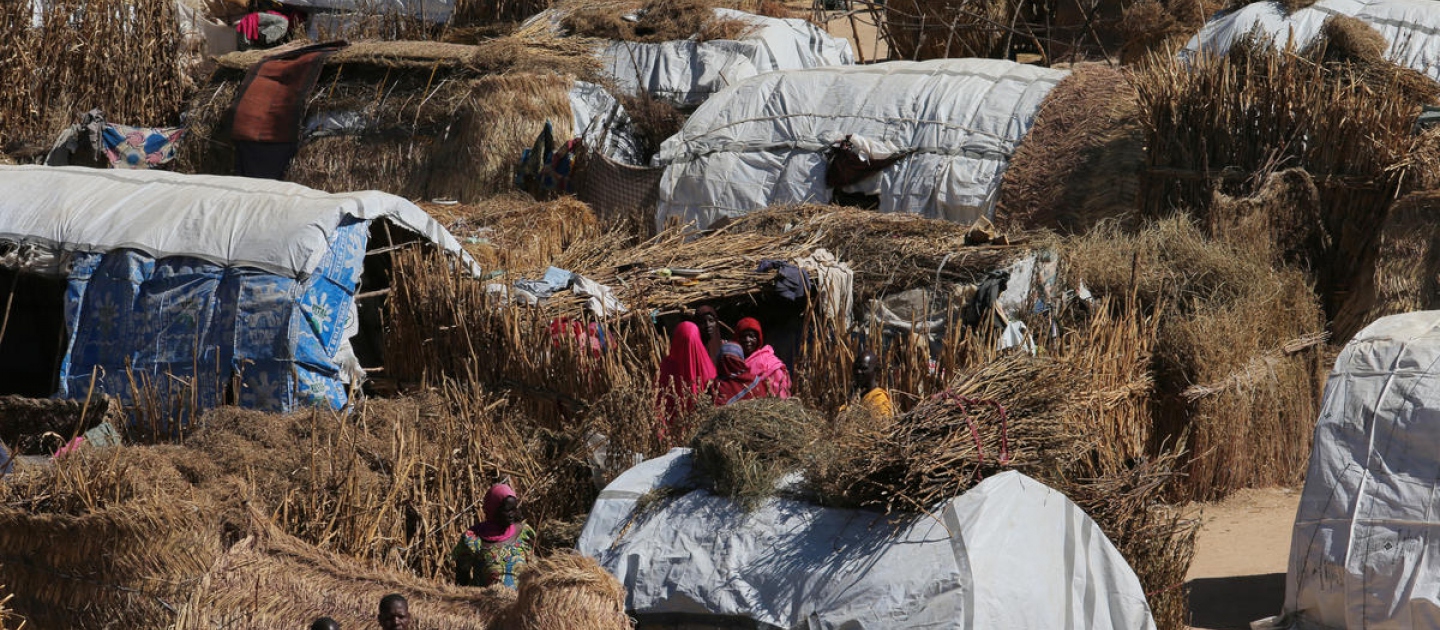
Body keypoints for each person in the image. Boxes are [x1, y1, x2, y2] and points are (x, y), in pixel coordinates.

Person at [452, 483, 538, 589]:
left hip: (520, 604)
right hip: (485, 603)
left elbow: (535, 572)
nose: (512, 514)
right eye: (507, 510)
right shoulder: (473, 539)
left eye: (514, 509)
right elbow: (461, 582)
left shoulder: (524, 533)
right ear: (493, 509)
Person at [657, 321, 718, 437]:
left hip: (675, 432)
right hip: (700, 430)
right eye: (684, 343)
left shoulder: (666, 367)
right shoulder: (707, 365)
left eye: (691, 343)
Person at [735, 318, 792, 398]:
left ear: (758, 339)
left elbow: (779, 393)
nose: (747, 340)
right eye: (743, 336)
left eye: (751, 336)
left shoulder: (769, 362)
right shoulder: (734, 362)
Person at [850, 350, 894, 417]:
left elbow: (882, 424)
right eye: (856, 367)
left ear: (875, 371)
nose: (858, 371)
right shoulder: (855, 396)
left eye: (863, 368)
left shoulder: (879, 398)